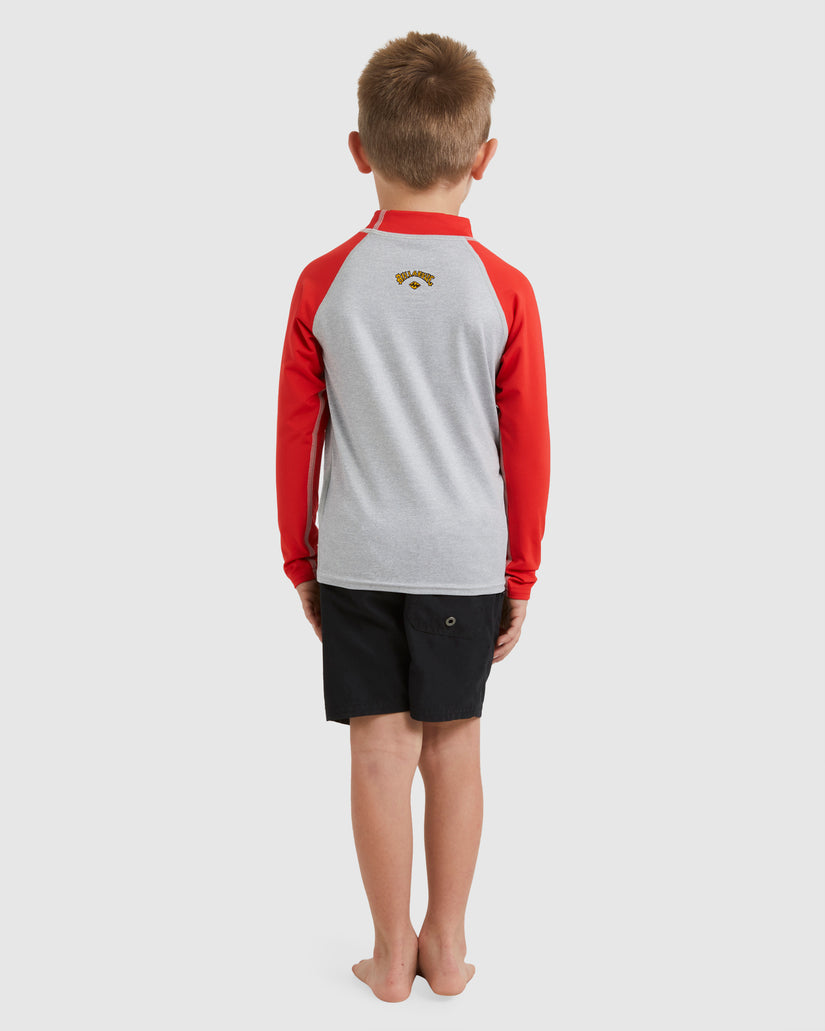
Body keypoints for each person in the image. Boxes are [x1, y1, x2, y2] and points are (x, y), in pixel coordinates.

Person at [275, 31, 551, 1003]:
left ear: (361, 151)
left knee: (377, 749)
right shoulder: (503, 290)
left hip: (357, 555)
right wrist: (519, 574)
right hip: (464, 561)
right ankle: (449, 945)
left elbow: (296, 435)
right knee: (454, 746)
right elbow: (527, 446)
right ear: (484, 157)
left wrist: (300, 559)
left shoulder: (325, 282)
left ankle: (389, 952)